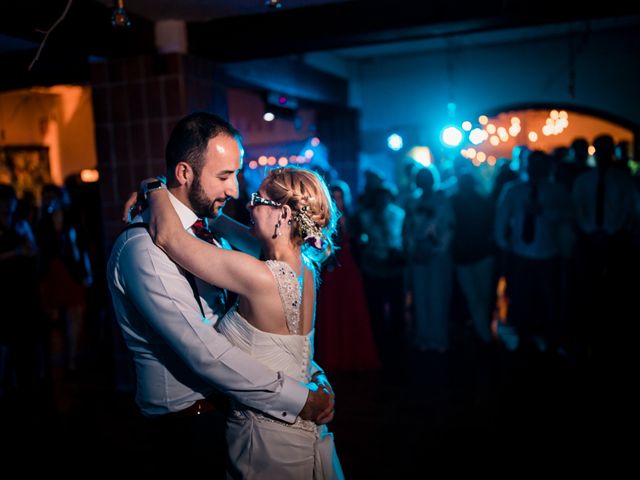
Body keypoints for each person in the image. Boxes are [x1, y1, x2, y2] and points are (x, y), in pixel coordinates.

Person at [107, 113, 334, 475]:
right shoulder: (143, 248)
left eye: (237, 176)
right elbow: (205, 352)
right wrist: (303, 394)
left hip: (240, 413)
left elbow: (274, 341)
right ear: (184, 174)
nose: (236, 192)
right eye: (225, 176)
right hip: (186, 427)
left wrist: (154, 188)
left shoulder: (218, 234)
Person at [144, 165, 344, 479]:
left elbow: (168, 237)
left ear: (285, 215)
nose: (249, 204)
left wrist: (154, 188)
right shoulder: (304, 266)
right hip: (298, 432)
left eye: (259, 199)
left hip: (264, 445)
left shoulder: (259, 276)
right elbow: (218, 222)